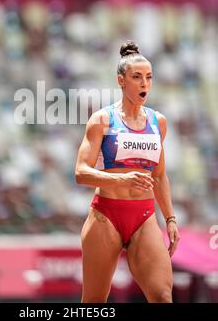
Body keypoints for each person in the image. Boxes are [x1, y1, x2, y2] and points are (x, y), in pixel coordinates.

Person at [75, 40, 180, 303]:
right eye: (136, 77)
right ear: (121, 81)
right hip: (106, 215)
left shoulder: (158, 122)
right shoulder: (103, 120)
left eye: (149, 77)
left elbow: (159, 175)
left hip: (143, 217)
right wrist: (121, 178)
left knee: (162, 296)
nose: (144, 83)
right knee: (94, 303)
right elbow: (80, 172)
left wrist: (169, 218)